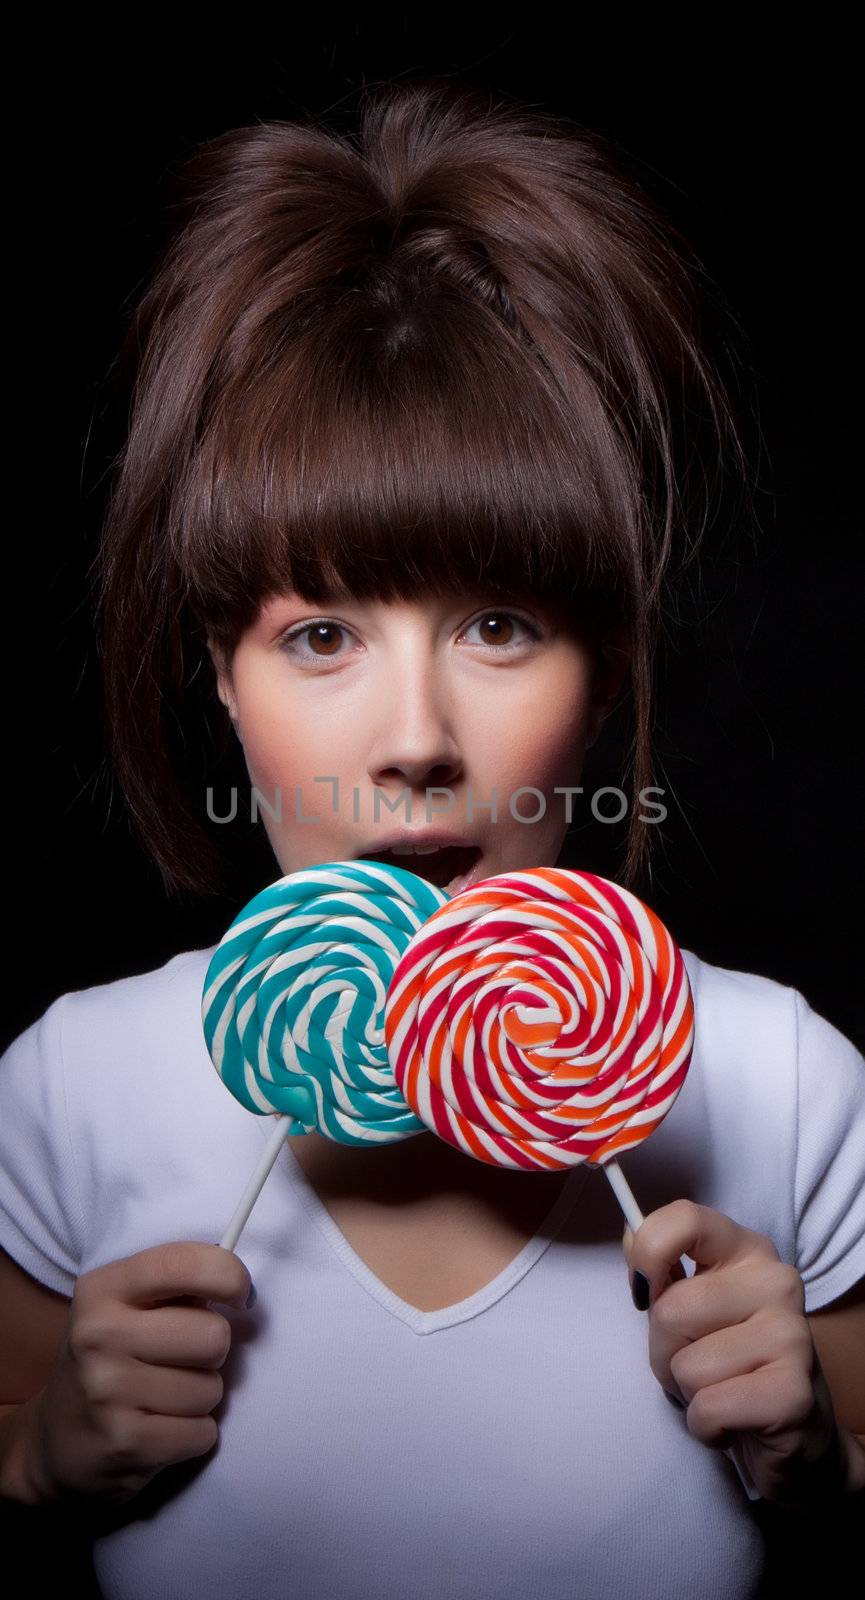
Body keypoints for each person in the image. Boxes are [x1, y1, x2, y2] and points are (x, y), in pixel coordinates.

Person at [1, 77, 863, 1600]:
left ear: (601, 676)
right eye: (319, 632)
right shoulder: (65, 1087)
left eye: (498, 623)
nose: (413, 737)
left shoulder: (787, 1083)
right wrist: (36, 1453)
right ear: (220, 673)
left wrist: (816, 1461)